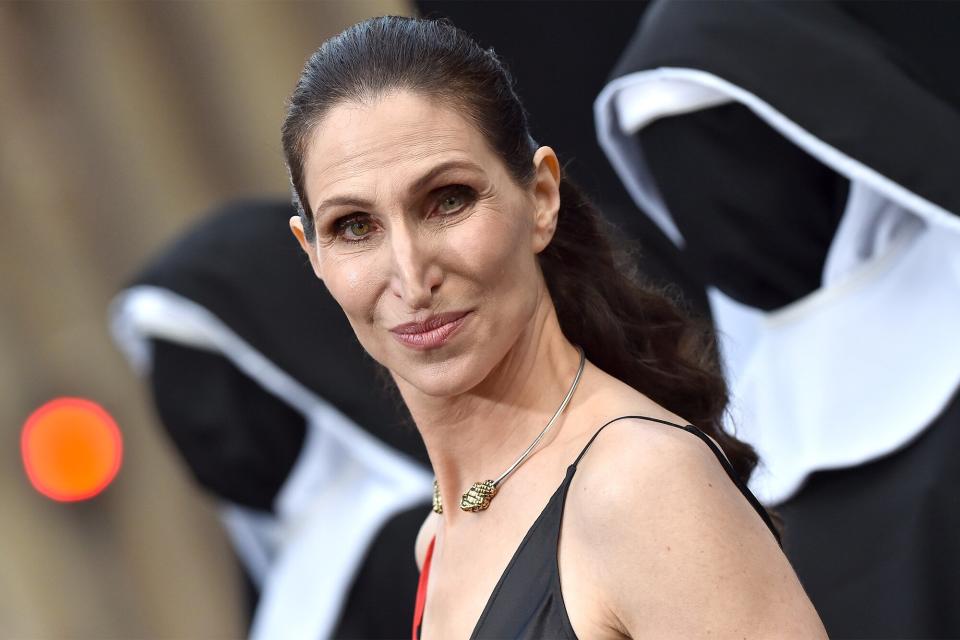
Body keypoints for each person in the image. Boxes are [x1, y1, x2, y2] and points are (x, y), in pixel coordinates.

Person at [282, 16, 825, 639]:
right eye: (355, 226)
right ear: (314, 255)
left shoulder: (640, 485)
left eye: (449, 199)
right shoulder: (440, 533)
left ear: (540, 197)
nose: (410, 276)